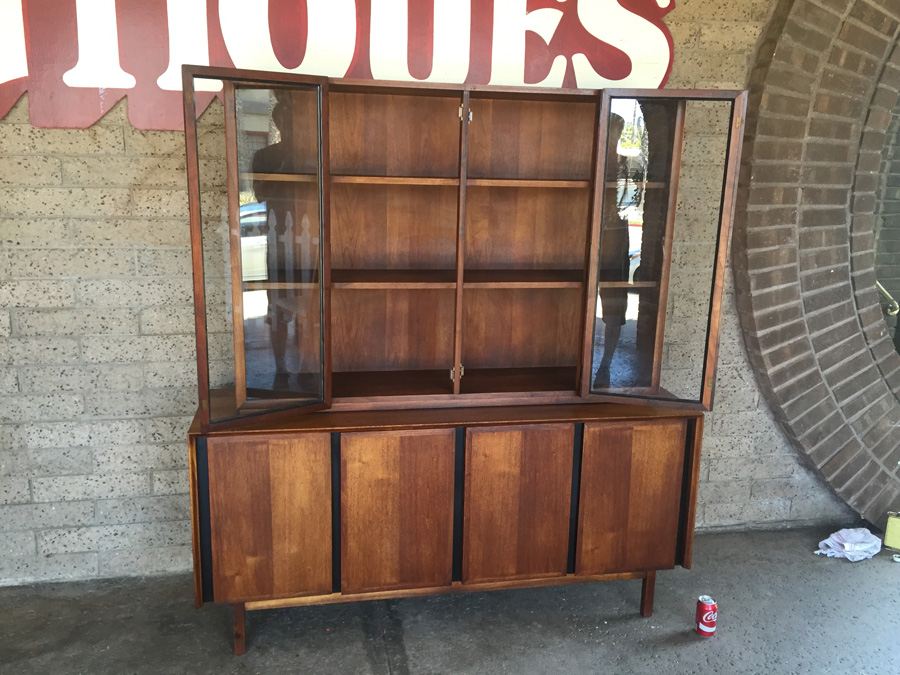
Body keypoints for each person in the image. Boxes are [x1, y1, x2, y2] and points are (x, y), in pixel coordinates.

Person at [593, 113, 630, 389]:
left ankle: (604, 365)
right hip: (595, 238)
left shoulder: (623, 167)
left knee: (614, 308)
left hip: (615, 241)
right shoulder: (598, 164)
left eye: (616, 133)